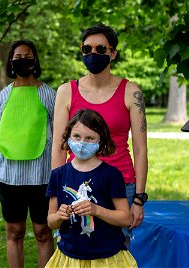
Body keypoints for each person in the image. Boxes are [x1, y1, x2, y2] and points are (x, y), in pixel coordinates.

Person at [51, 24, 148, 244]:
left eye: (101, 49)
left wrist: (139, 199)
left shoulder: (131, 92)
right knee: (75, 250)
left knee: (117, 251)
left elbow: (141, 150)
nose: (93, 54)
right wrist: (57, 196)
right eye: (87, 49)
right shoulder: (66, 91)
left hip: (121, 186)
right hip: (76, 186)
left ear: (113, 53)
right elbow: (59, 147)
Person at [0, 40, 55, 267]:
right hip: (9, 177)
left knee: (43, 233)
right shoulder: (1, 97)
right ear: (10, 62)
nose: (23, 61)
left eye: (27, 56)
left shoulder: (49, 95)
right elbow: (0, 135)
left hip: (42, 177)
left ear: (35, 61)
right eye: (18, 57)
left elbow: (58, 137)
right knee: (14, 232)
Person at [46, 109, 137, 267]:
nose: (82, 143)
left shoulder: (111, 174)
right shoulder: (58, 175)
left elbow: (125, 218)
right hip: (70, 257)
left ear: (100, 140)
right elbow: (51, 221)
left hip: (107, 257)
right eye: (77, 136)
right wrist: (59, 216)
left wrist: (96, 210)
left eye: (90, 138)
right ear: (68, 136)